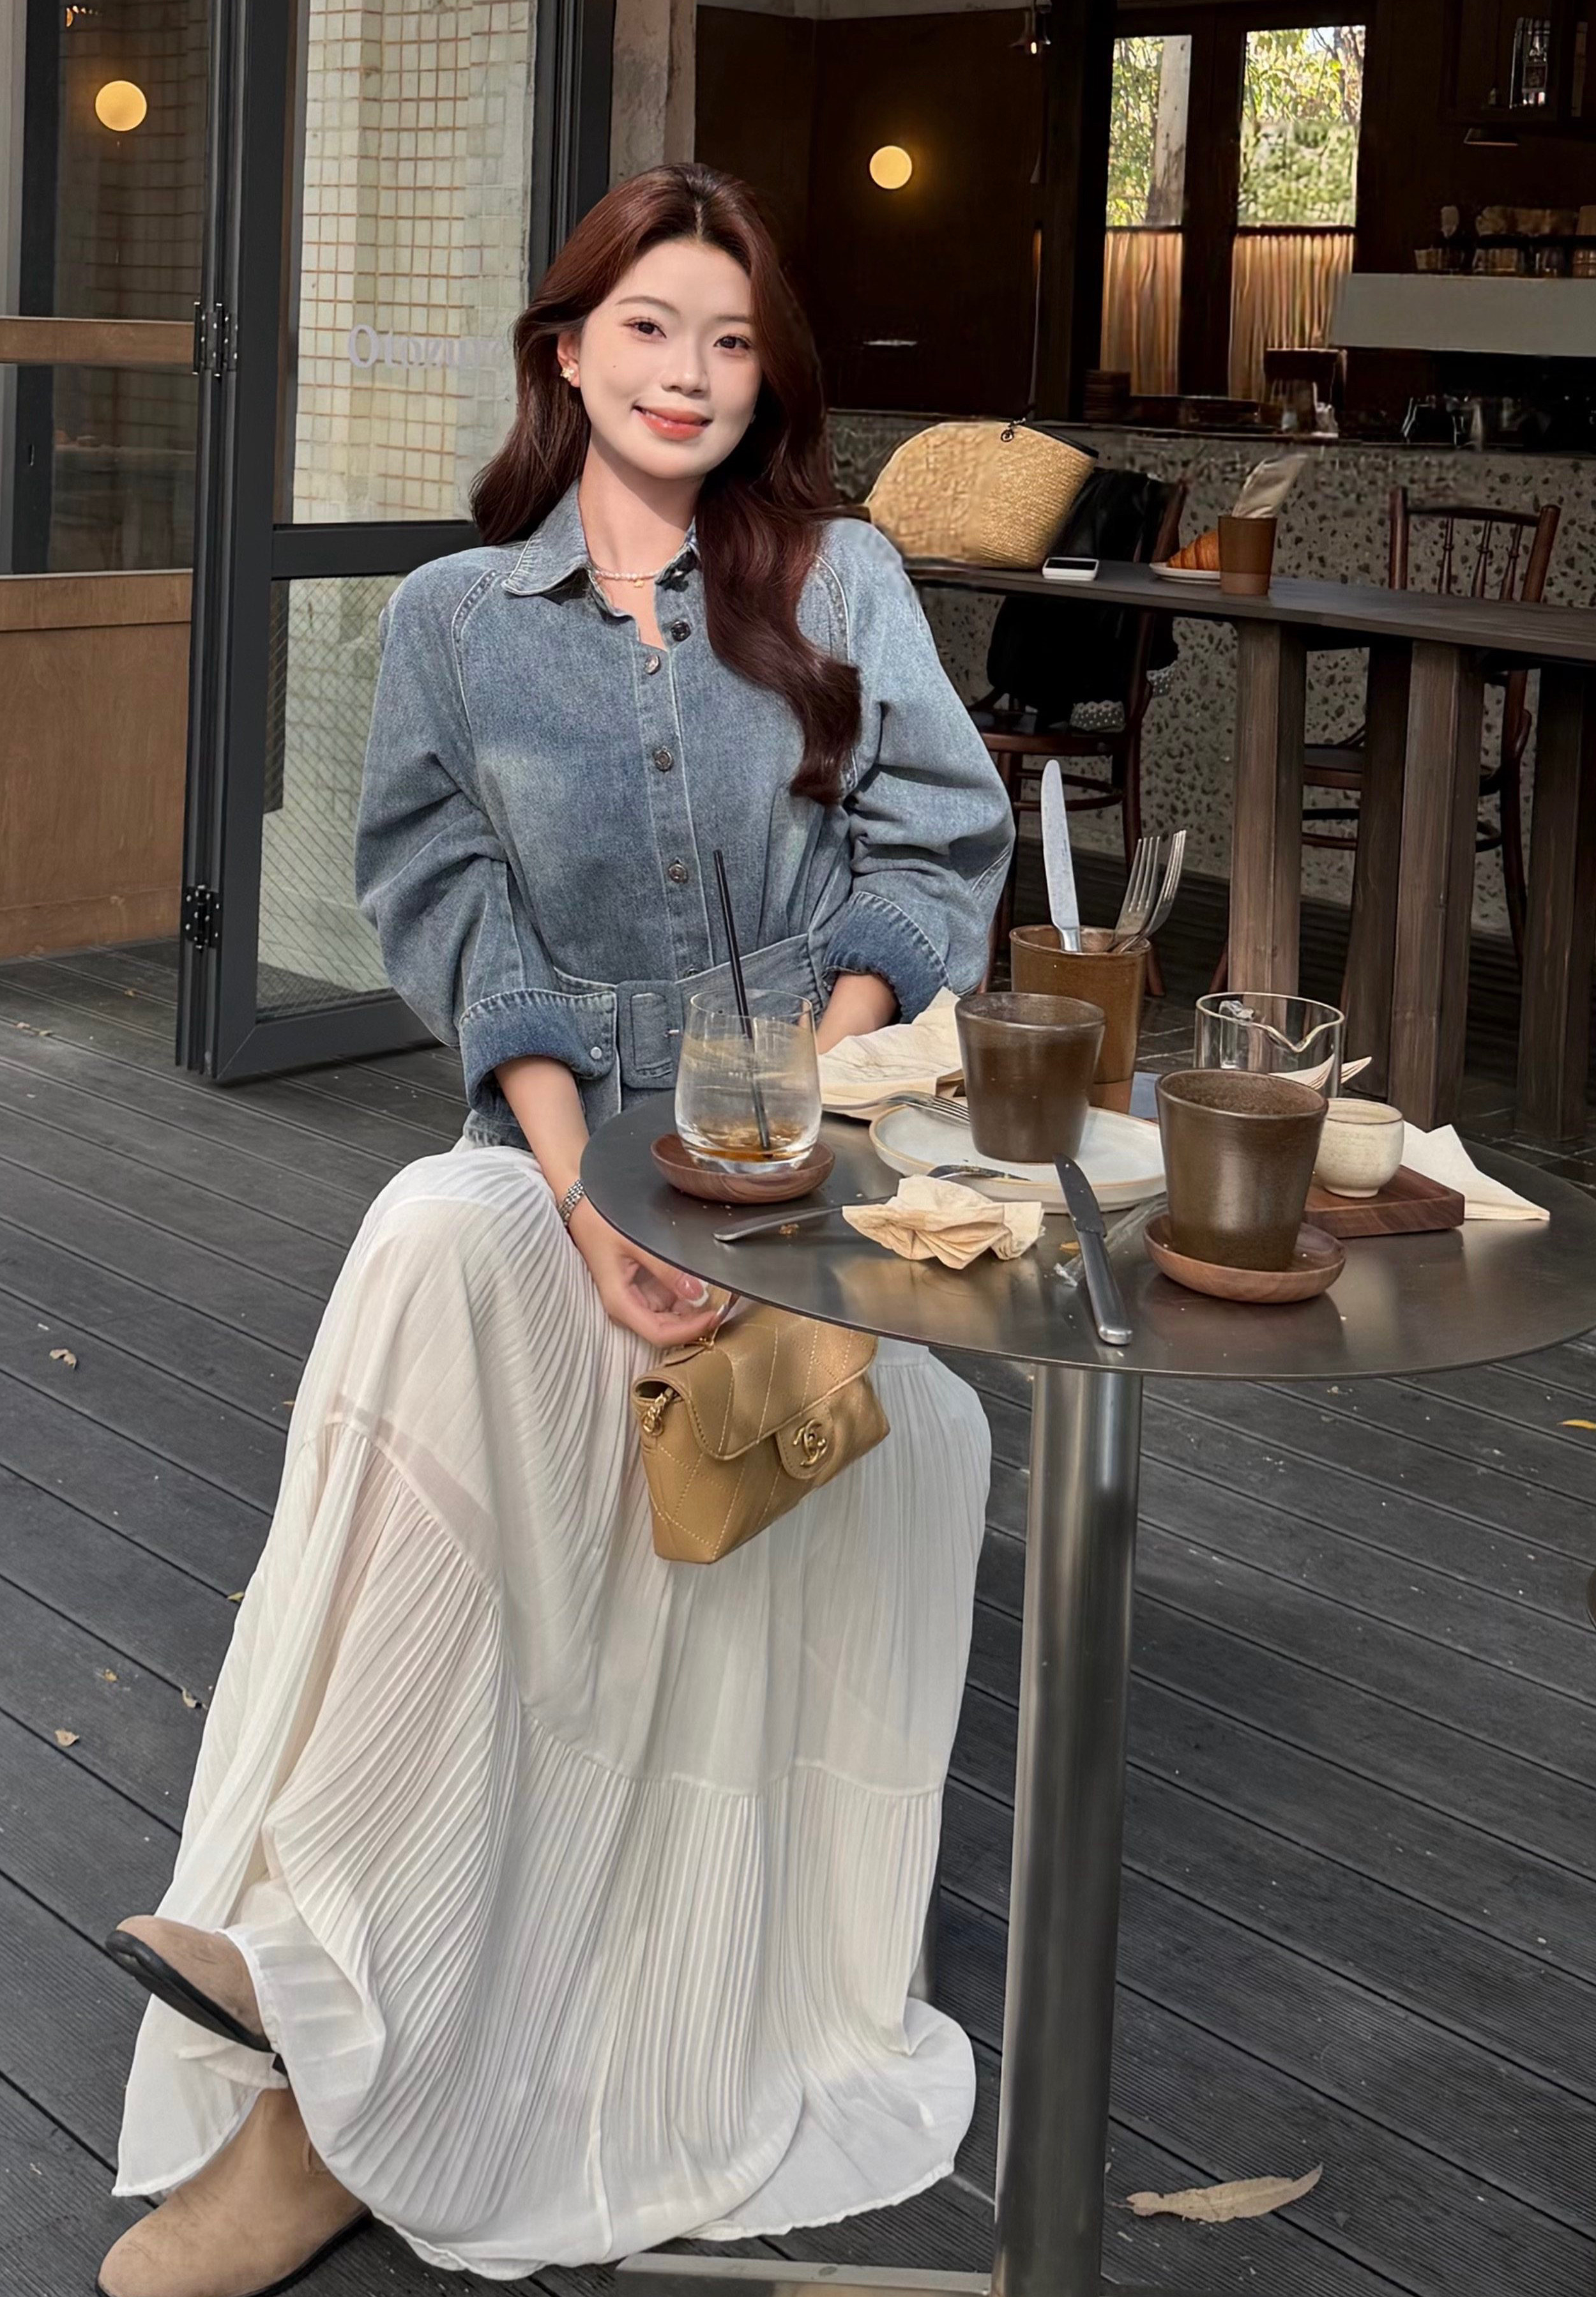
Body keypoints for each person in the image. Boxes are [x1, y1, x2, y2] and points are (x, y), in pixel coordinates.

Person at [98, 165, 1014, 2297]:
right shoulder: (452, 618)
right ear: (569, 352)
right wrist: (593, 1205)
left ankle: (324, 2061)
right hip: (563, 1152)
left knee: (517, 1319)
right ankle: (316, 1976)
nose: (690, 373)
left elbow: (935, 855)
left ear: (764, 374)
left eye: (730, 338)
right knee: (438, 1235)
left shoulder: (848, 576)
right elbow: (454, 918)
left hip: (818, 1162)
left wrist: (775, 1112)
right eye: (650, 329)